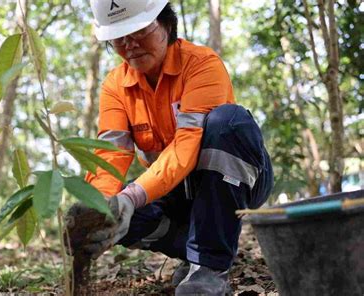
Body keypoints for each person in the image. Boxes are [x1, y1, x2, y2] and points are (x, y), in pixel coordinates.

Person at [77, 1, 274, 295]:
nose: (129, 45)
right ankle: (195, 252)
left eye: (138, 31)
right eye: (119, 38)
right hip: (175, 191)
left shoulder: (201, 64)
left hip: (233, 181)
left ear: (166, 23)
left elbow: (186, 147)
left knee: (227, 122)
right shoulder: (115, 86)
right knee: (121, 217)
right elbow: (110, 155)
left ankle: (209, 266)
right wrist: (100, 205)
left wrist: (132, 196)